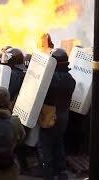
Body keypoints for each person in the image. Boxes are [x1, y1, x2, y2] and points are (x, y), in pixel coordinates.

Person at [38, 48, 76, 180]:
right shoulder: (71, 79)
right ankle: (61, 171)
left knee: (46, 145)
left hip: (49, 114)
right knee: (58, 142)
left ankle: (48, 174)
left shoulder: (51, 79)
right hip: (64, 114)